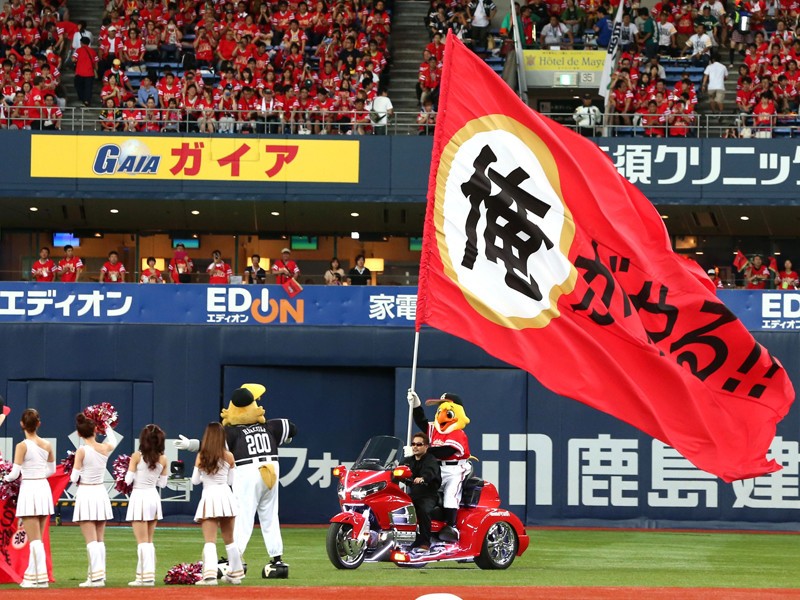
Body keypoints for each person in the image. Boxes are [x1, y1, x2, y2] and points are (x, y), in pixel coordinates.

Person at [408, 391, 471, 541]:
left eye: (447, 410)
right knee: (422, 492)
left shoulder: (457, 433)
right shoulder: (434, 429)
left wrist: (422, 449)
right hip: (437, 468)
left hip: (455, 469)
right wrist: (415, 405)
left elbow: (446, 451)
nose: (442, 414)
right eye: (440, 409)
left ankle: (451, 527)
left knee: (450, 494)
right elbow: (421, 421)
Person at [3, 408, 55, 588]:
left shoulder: (22, 446)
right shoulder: (47, 445)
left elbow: (15, 473)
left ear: (22, 424)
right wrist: (38, 474)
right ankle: (32, 576)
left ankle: (40, 578)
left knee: (34, 539)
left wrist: (4, 478)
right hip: (42, 488)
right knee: (38, 536)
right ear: (38, 424)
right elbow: (52, 470)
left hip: (30, 488)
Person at [191, 422, 244, 586]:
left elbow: (194, 481)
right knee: (230, 539)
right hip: (226, 497)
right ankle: (236, 574)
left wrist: (205, 477)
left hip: (209, 496)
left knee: (210, 540)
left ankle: (210, 576)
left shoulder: (201, 456)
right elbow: (231, 481)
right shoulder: (229, 456)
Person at [71, 412, 120, 587]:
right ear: (95, 431)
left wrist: (77, 467)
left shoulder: (82, 450)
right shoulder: (105, 448)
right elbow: (113, 441)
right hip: (100, 492)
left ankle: (96, 577)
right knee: (100, 538)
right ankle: (99, 575)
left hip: (86, 493)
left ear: (78, 434)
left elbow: (73, 476)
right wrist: (106, 425)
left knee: (91, 539)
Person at [125, 425, 168, 586]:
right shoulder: (163, 459)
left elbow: (127, 480)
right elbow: (163, 484)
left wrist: (133, 472)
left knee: (142, 541)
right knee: (149, 540)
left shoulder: (136, 456)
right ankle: (146, 574)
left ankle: (145, 577)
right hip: (153, 497)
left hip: (139, 497)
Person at [400, 432, 441, 552]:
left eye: (419, 444)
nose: (415, 447)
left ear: (426, 446)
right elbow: (397, 470)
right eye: (413, 444)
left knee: (423, 510)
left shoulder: (430, 460)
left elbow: (430, 471)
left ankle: (424, 542)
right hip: (413, 495)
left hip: (428, 495)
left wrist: (423, 478)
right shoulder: (408, 460)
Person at [72, 36, 98, 107]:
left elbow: (73, 59)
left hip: (80, 73)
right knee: (88, 88)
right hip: (90, 73)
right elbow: (96, 63)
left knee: (78, 86)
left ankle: (82, 99)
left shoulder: (78, 50)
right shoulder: (93, 51)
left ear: (81, 43)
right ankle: (87, 101)